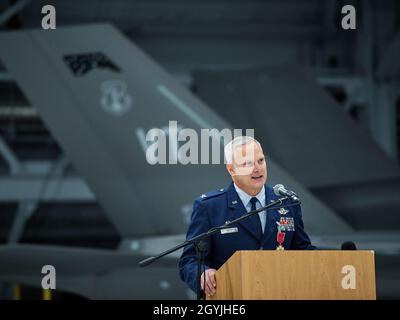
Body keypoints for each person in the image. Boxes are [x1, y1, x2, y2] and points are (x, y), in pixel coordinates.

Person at [179, 136, 316, 297]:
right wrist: (203, 273)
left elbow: (303, 250)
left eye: (260, 160)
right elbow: (189, 261)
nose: (257, 168)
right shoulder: (210, 207)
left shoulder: (286, 202)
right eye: (247, 163)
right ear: (231, 169)